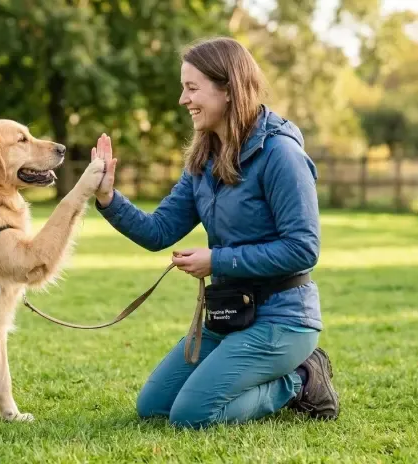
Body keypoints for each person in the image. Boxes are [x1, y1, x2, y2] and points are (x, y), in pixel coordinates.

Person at [91, 36, 339, 429]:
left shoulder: (281, 155)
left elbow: (303, 249)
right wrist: (108, 198)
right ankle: (267, 370)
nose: (183, 99)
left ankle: (301, 380)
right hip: (230, 314)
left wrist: (216, 259)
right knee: (152, 406)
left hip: (283, 319)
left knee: (191, 415)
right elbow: (158, 231)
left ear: (228, 89)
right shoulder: (204, 158)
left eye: (192, 88)